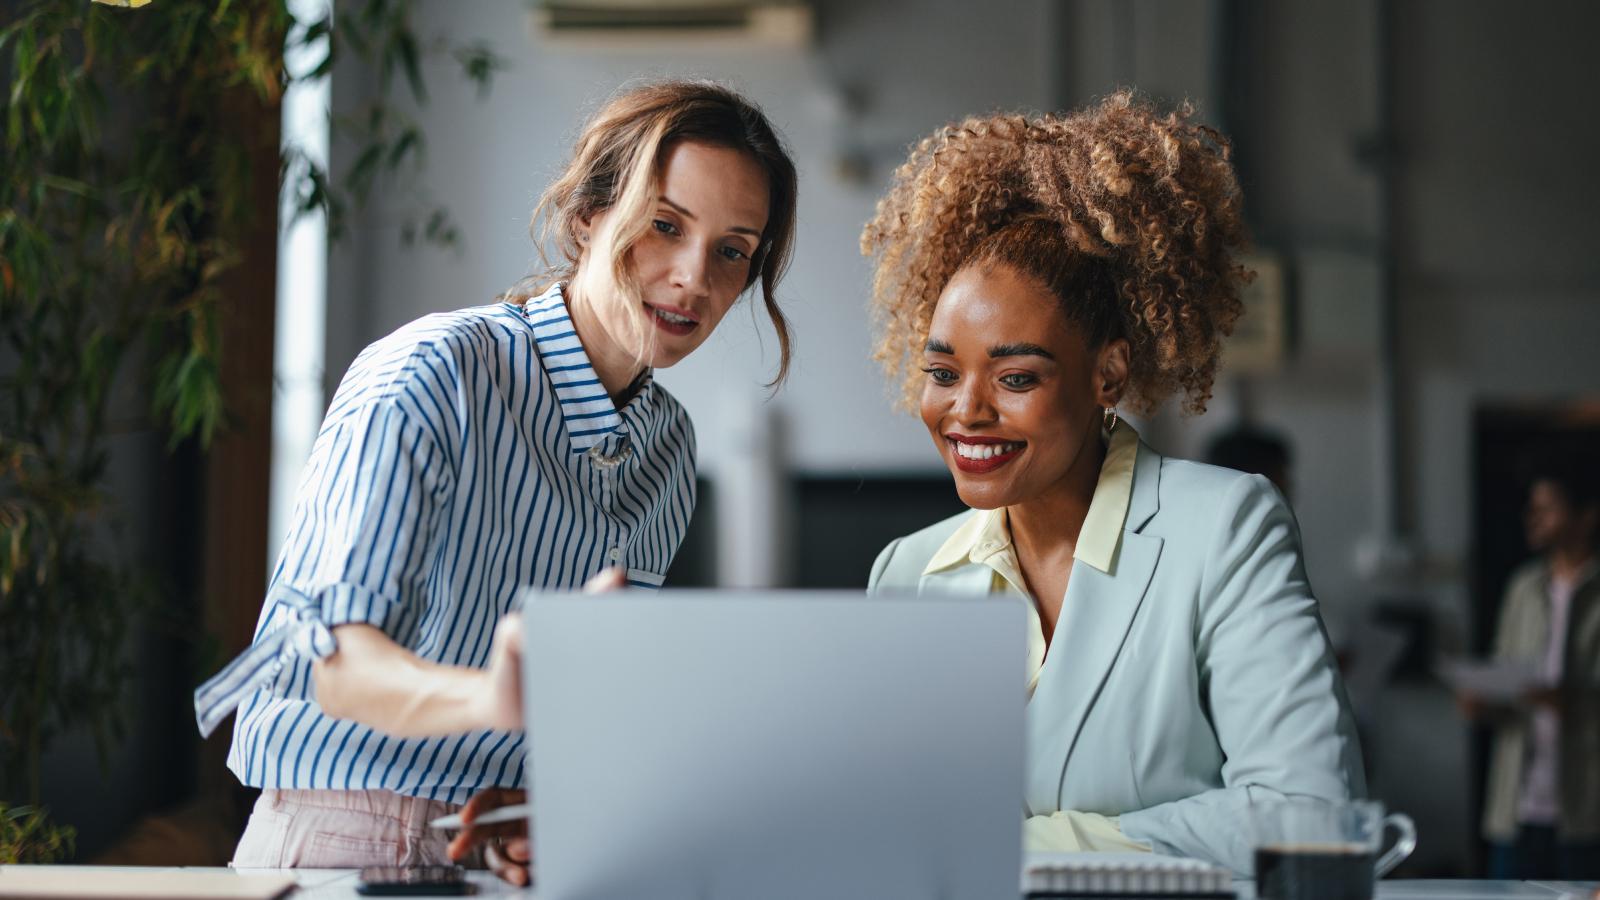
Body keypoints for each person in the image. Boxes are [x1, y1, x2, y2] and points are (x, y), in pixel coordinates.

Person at [191, 79, 798, 878]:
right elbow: (329, 662)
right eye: (664, 226)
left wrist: (559, 803)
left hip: (510, 850)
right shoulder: (435, 371)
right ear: (588, 217)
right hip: (350, 839)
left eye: (732, 251)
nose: (695, 277)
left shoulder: (667, 446)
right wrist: (490, 700)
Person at [859, 92, 1365, 875]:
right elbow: (885, 830)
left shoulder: (1224, 529)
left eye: (1016, 375)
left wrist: (1034, 847)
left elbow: (1311, 814)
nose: (966, 411)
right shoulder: (907, 575)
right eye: (941, 373)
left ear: (1109, 373)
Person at [1459, 453, 1600, 879]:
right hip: (1517, 804)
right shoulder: (1522, 586)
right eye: (1531, 507)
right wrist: (1483, 702)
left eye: (1548, 507)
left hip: (1589, 807)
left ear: (1588, 515)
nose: (1533, 517)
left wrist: (1570, 699)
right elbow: (1507, 671)